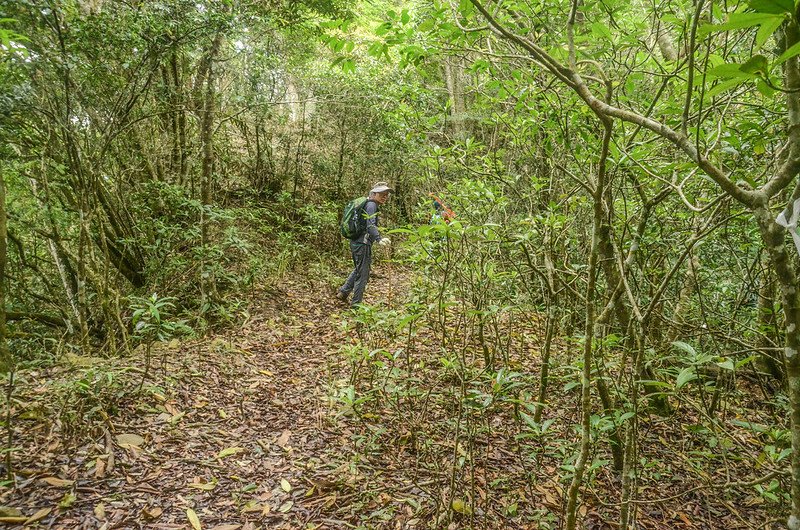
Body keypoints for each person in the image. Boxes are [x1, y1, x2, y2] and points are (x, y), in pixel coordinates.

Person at [336, 182, 393, 307]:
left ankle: (343, 292)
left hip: (357, 242)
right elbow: (370, 224)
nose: (385, 196)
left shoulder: (368, 204)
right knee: (363, 274)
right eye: (381, 193)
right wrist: (378, 239)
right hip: (362, 243)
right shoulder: (371, 205)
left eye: (386, 194)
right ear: (373, 194)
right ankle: (356, 305)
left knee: (359, 269)